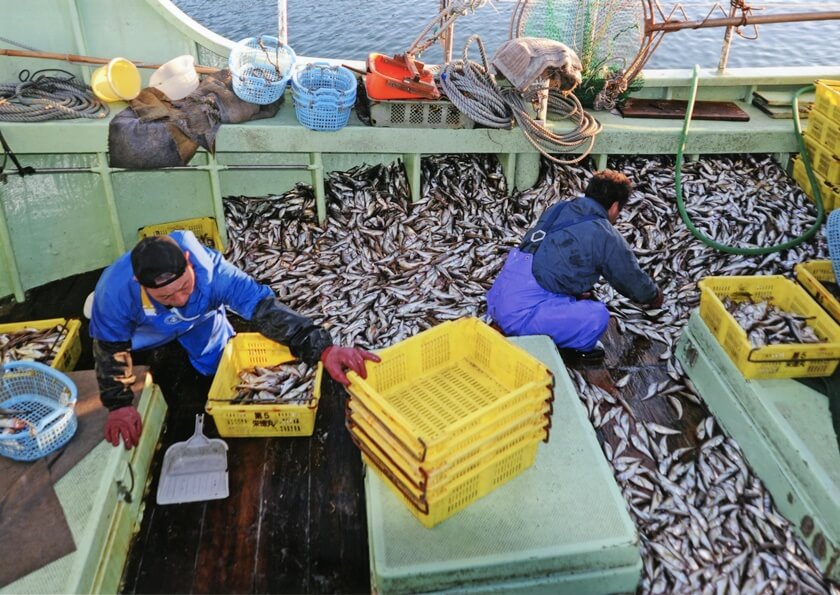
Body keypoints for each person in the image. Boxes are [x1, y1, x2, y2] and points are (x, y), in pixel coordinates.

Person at [89, 230, 380, 449]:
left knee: (217, 369)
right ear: (140, 284)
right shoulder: (113, 292)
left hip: (199, 320)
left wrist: (324, 349)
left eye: (186, 286)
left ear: (189, 262)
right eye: (167, 296)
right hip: (143, 331)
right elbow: (109, 347)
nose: (180, 298)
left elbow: (265, 310)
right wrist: (119, 404)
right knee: (114, 336)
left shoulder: (216, 275)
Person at [487, 169, 663, 365]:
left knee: (583, 293)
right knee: (597, 316)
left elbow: (550, 260)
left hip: (497, 299)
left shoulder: (559, 208)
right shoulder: (606, 235)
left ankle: (510, 321)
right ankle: (572, 357)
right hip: (520, 317)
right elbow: (631, 281)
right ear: (614, 207)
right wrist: (654, 296)